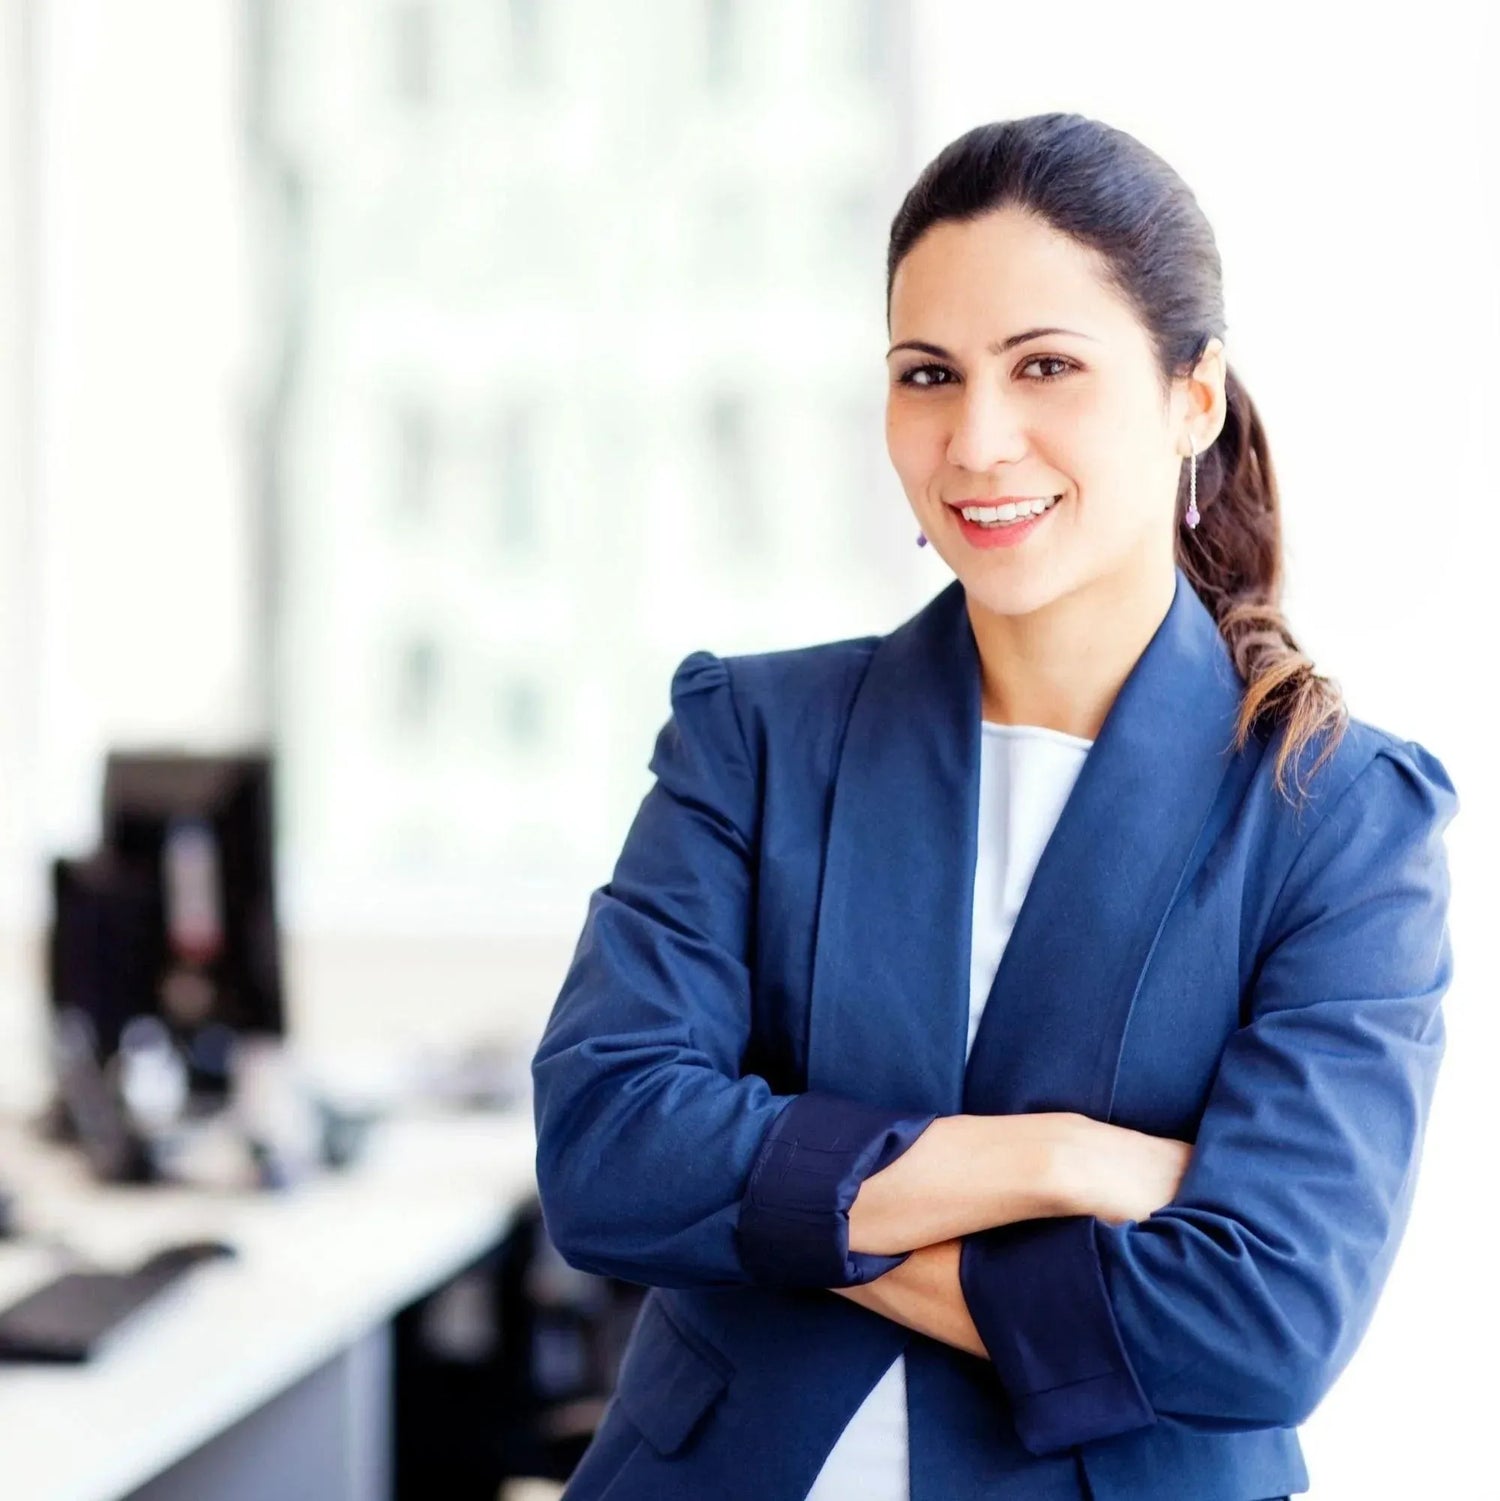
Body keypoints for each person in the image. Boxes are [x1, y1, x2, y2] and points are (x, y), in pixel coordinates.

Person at [529, 112, 1458, 1501]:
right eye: (929, 374)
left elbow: (1259, 1322)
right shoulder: (755, 736)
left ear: (1193, 398)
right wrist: (1058, 1161)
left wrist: (787, 1206)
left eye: (1046, 367)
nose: (977, 439)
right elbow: (608, 1152)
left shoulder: (1341, 818)